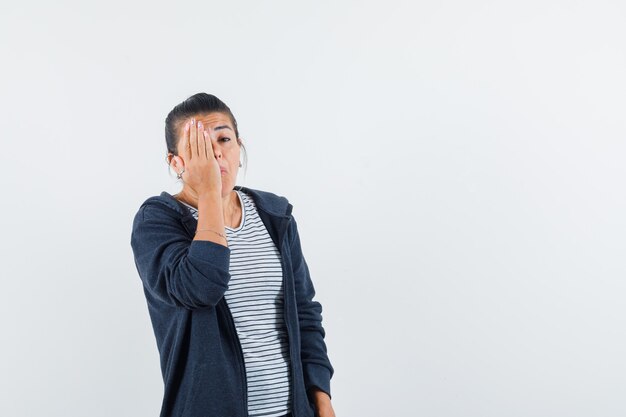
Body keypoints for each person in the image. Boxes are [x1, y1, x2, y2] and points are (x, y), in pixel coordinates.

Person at [130, 93, 335, 417]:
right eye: (198, 147)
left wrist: (321, 397)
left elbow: (305, 312)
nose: (214, 154)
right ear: (176, 163)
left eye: (224, 139)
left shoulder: (274, 215)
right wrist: (210, 192)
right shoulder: (157, 221)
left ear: (239, 148)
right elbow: (201, 287)